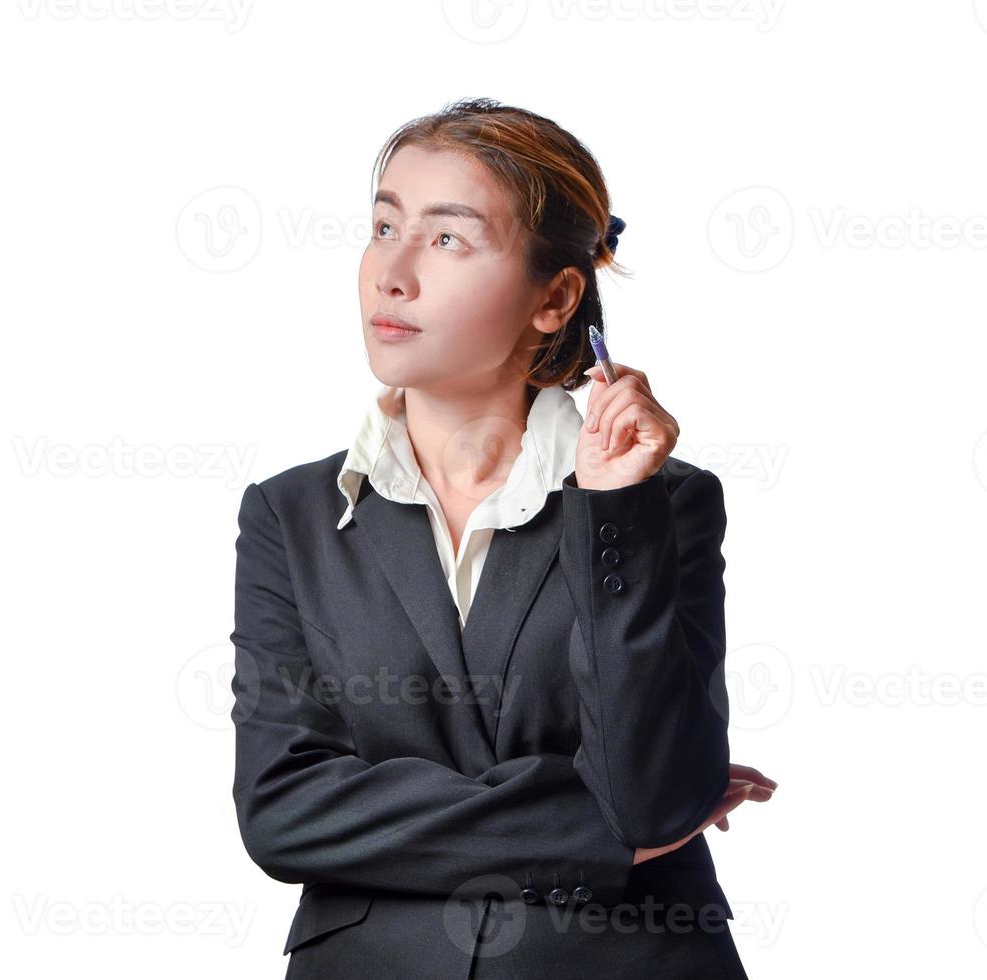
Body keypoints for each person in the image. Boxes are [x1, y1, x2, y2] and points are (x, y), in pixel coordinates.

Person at [228, 98, 778, 979]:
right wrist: (593, 834)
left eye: (447, 239)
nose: (391, 274)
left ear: (556, 297)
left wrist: (611, 512)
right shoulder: (291, 516)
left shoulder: (660, 504)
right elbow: (283, 809)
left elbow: (644, 796)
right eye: (383, 226)